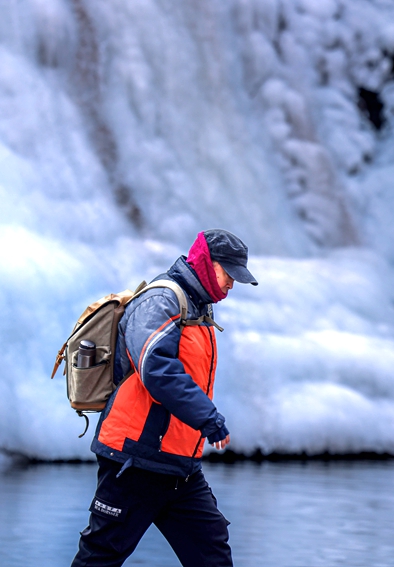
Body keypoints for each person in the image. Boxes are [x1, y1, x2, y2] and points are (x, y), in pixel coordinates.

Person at [71, 229, 258, 567]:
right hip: (134, 458)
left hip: (178, 466)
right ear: (206, 262)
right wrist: (208, 419)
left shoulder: (198, 309)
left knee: (212, 553)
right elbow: (156, 369)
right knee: (101, 556)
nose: (232, 283)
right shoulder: (163, 300)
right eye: (228, 272)